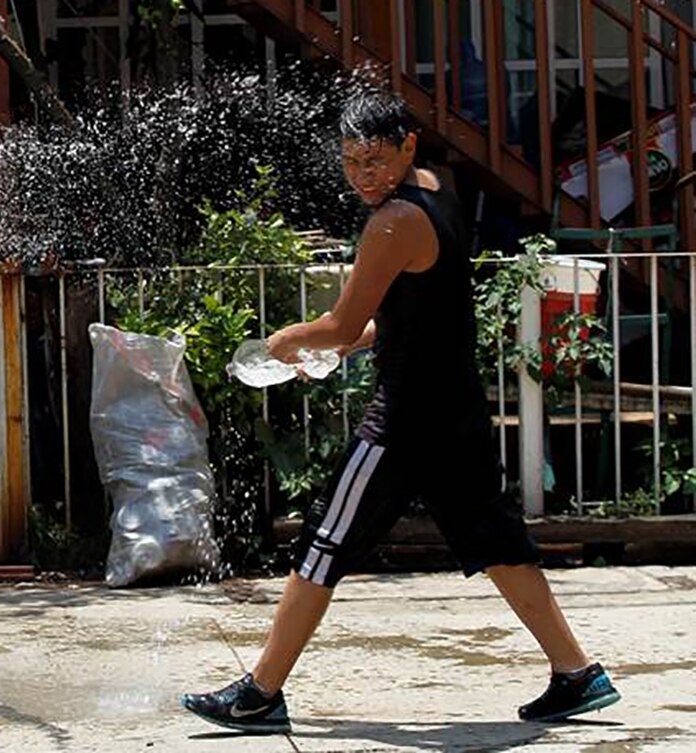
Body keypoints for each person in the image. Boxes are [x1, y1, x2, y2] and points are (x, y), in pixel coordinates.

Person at [180, 82, 621, 733]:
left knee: (324, 540)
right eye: (351, 161)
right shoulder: (437, 190)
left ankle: (260, 693)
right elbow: (409, 312)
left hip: (404, 421)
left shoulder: (392, 222)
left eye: (376, 160)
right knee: (499, 542)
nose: (363, 176)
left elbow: (338, 322)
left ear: (407, 145)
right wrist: (348, 341)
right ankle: (577, 673)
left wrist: (283, 341)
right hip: (455, 410)